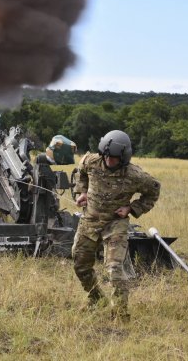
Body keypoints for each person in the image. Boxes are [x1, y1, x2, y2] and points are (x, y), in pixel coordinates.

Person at [72, 130, 160, 322]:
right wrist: (83, 191)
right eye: (107, 156)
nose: (110, 161)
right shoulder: (92, 161)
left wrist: (131, 208)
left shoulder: (135, 175)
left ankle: (120, 315)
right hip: (90, 220)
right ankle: (96, 298)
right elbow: (81, 172)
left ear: (124, 157)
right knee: (80, 265)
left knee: (114, 268)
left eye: (114, 158)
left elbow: (154, 191)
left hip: (115, 224)